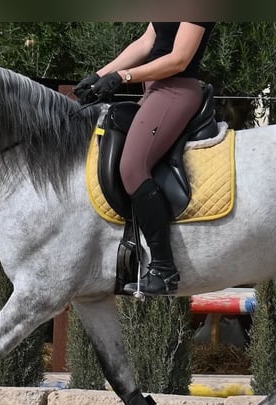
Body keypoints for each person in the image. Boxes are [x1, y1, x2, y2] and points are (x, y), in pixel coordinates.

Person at [74, 22, 216, 295]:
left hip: (176, 90)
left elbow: (179, 59)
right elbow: (146, 42)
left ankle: (164, 269)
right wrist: (99, 75)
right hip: (153, 92)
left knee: (132, 168)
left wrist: (124, 77)